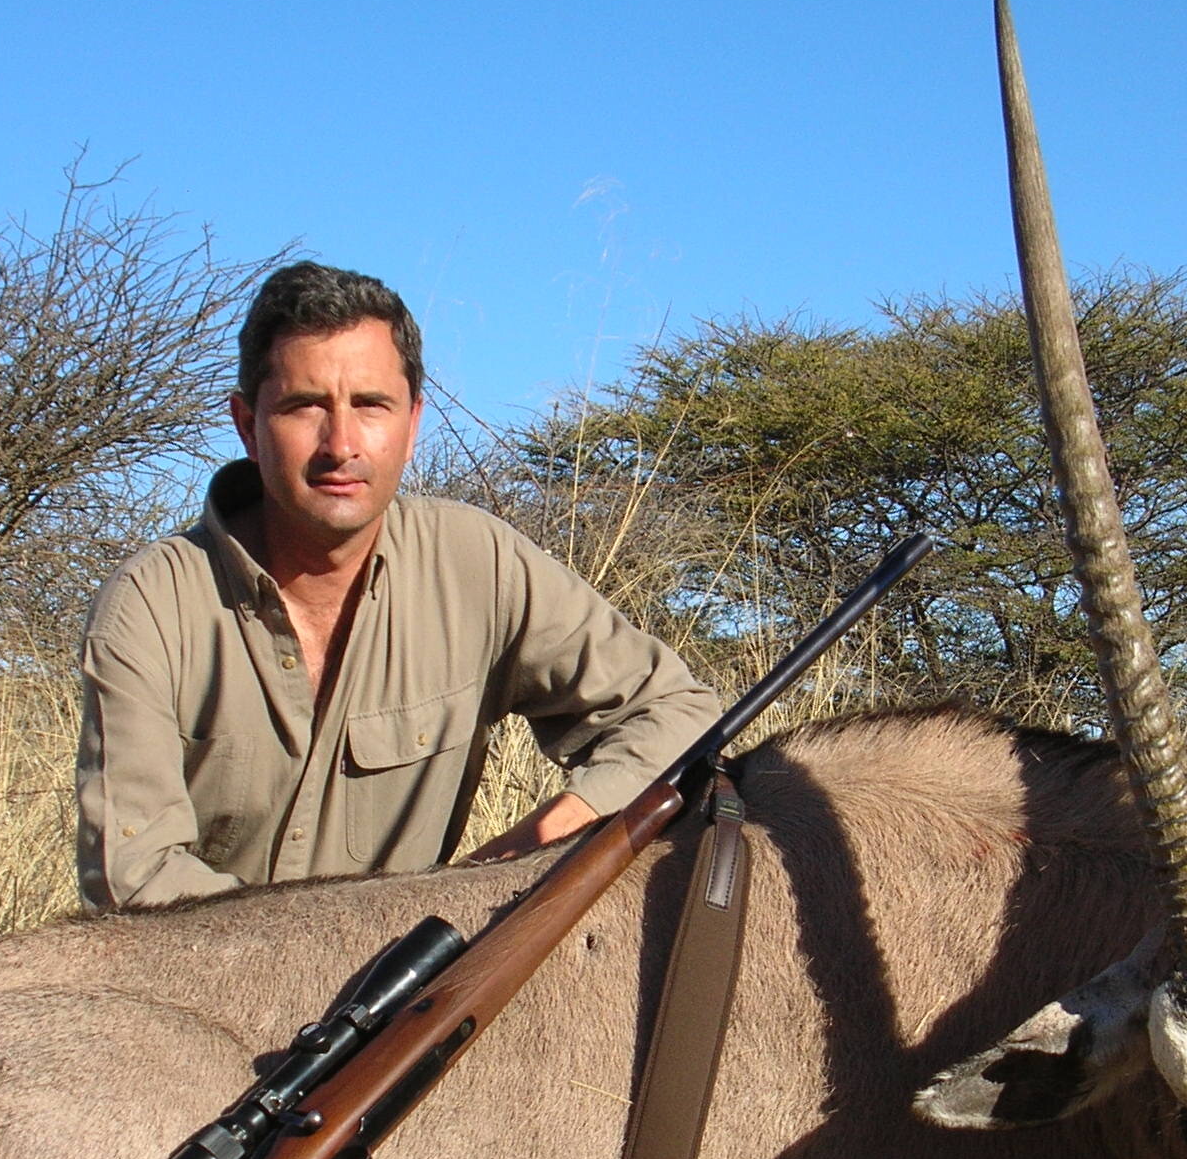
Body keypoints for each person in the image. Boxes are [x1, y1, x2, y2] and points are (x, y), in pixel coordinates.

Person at [75, 261, 720, 910]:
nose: (341, 444)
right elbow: (134, 873)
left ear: (412, 423)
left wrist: (531, 851)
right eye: (305, 407)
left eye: (370, 405)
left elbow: (678, 715)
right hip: (207, 984)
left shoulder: (478, 563)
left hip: (415, 992)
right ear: (247, 424)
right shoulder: (149, 604)